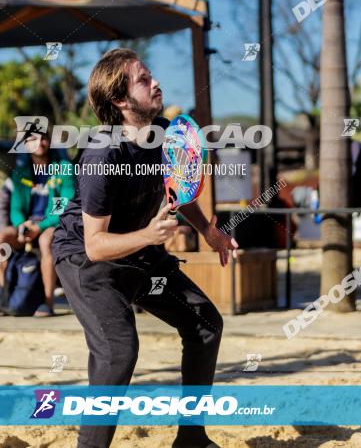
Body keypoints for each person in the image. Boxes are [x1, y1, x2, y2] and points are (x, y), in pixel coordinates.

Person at [52, 48, 238, 448]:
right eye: (142, 79)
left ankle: (192, 439)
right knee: (118, 351)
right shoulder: (103, 155)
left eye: (150, 75)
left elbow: (179, 188)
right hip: (87, 261)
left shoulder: (166, 133)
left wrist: (208, 230)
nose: (155, 83)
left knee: (205, 324)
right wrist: (151, 238)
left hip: (139, 246)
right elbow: (97, 246)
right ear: (120, 101)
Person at [0, 127, 73, 316]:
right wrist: (22, 227)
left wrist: (40, 227)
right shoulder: (20, 172)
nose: (39, 143)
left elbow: (65, 207)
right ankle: (8, 297)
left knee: (45, 241)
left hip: (53, 223)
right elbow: (16, 208)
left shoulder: (64, 167)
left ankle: (48, 303)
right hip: (28, 225)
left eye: (43, 138)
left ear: (49, 141)